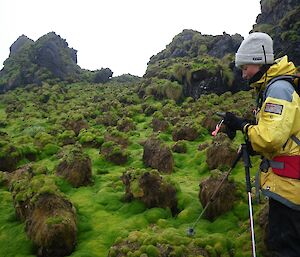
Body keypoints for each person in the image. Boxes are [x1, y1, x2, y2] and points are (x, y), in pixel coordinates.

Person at [223, 32, 300, 256]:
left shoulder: (278, 90)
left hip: (290, 187)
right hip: (287, 182)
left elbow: (270, 138)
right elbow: (279, 133)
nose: (243, 74)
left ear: (259, 62)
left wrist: (243, 126)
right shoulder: (274, 87)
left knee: (285, 246)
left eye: (245, 67)